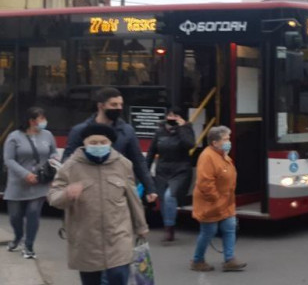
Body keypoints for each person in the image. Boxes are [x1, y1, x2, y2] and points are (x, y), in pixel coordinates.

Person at [48, 123, 149, 285]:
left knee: (116, 278)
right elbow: (53, 197)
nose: (98, 146)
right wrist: (67, 193)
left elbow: (133, 197)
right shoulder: (70, 167)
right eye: (93, 143)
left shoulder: (123, 164)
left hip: (118, 234)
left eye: (103, 142)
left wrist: (141, 226)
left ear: (110, 143)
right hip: (86, 236)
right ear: (84, 144)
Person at [62, 87, 158, 206]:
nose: (119, 108)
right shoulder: (80, 131)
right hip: (88, 190)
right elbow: (67, 160)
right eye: (114, 104)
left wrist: (150, 188)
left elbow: (138, 161)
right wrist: (70, 184)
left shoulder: (127, 131)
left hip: (118, 189)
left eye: (120, 104)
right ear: (101, 106)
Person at [190, 126, 246, 272]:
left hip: (225, 202)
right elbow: (205, 183)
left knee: (229, 227)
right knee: (209, 231)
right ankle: (198, 260)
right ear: (215, 143)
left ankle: (229, 259)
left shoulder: (223, 155)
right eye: (226, 139)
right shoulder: (207, 157)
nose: (229, 141)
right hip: (211, 203)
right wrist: (216, 200)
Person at [4, 107, 58, 259]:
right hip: (18, 184)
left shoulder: (48, 135)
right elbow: (9, 159)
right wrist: (25, 174)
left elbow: (53, 151)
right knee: (15, 216)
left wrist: (54, 159)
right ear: (31, 121)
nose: (44, 122)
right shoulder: (14, 137)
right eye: (41, 119)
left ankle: (29, 246)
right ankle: (18, 237)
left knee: (33, 213)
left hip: (40, 182)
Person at [146, 107, 195, 242]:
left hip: (181, 170)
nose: (172, 118)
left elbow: (190, 144)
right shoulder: (159, 132)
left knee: (169, 196)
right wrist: (145, 170)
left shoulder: (186, 130)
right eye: (170, 115)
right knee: (162, 199)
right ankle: (168, 224)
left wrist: (182, 128)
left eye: (176, 115)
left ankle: (169, 228)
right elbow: (151, 152)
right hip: (162, 170)